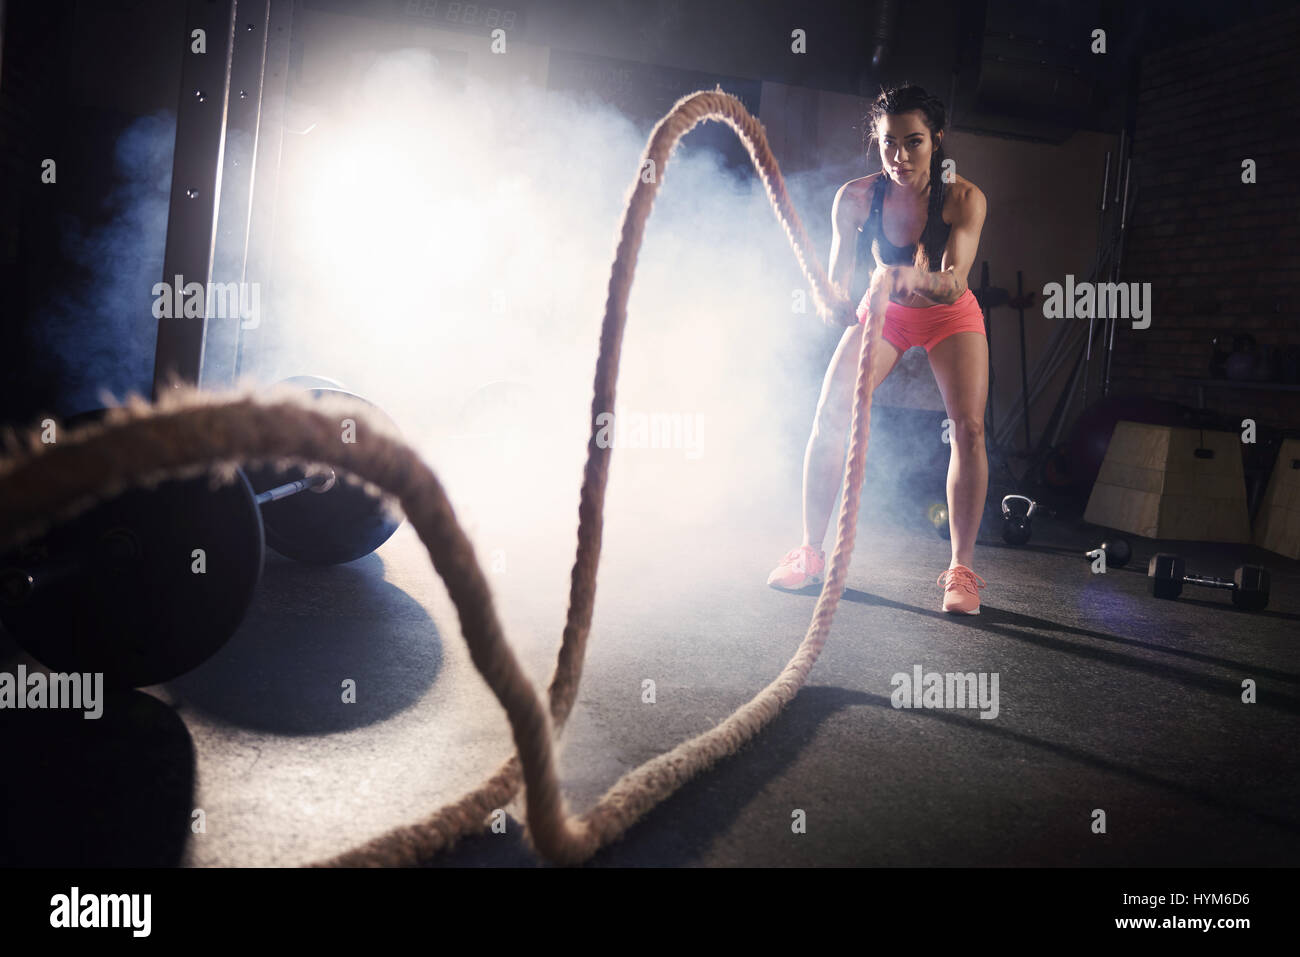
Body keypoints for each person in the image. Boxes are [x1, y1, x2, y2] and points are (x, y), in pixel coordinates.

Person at [767, 84, 991, 614]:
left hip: (948, 315)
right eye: (889, 143)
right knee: (829, 415)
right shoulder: (856, 198)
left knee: (970, 427)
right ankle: (809, 553)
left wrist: (905, 276)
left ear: (936, 140)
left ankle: (961, 571)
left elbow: (955, 283)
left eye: (914, 142)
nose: (901, 157)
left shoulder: (963, 198)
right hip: (883, 312)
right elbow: (839, 284)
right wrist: (833, 302)